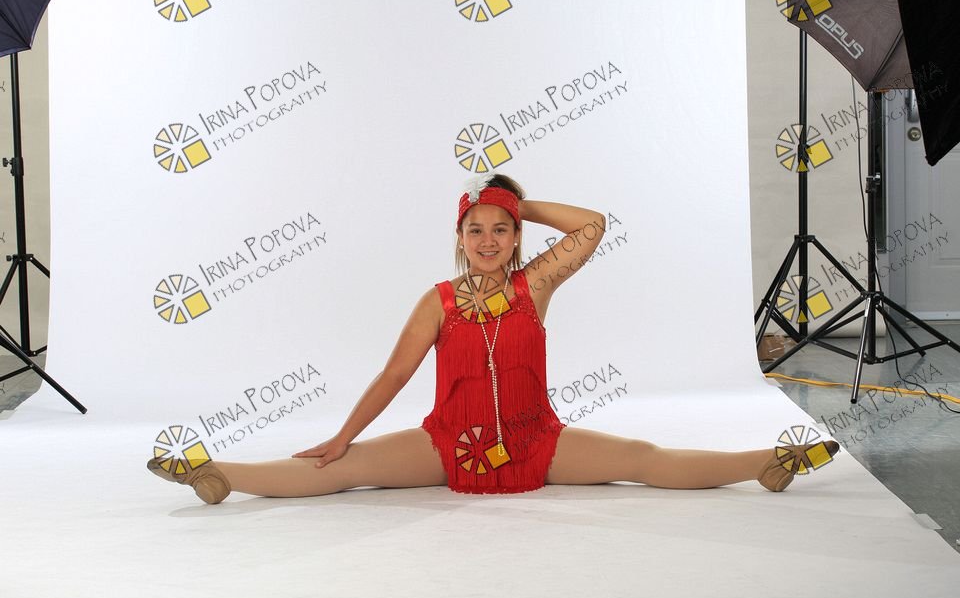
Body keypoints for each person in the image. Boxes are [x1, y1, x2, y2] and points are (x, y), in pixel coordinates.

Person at [147, 173, 839, 504]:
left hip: (536, 440)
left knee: (641, 457)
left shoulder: (535, 285)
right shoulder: (438, 301)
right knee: (346, 468)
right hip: (450, 442)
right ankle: (221, 473)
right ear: (460, 237)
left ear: (515, 238)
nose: (487, 240)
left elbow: (593, 225)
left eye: (500, 229)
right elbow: (393, 375)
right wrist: (340, 435)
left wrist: (517, 200)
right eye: (475, 229)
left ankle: (768, 460)